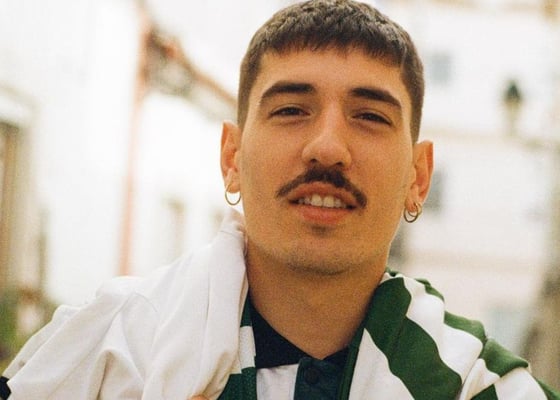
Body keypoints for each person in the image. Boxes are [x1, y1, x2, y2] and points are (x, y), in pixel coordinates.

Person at [1, 0, 559, 399]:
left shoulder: (476, 385)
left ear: (418, 176)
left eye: (369, 116)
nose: (328, 148)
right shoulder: (104, 354)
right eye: (291, 110)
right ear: (231, 157)